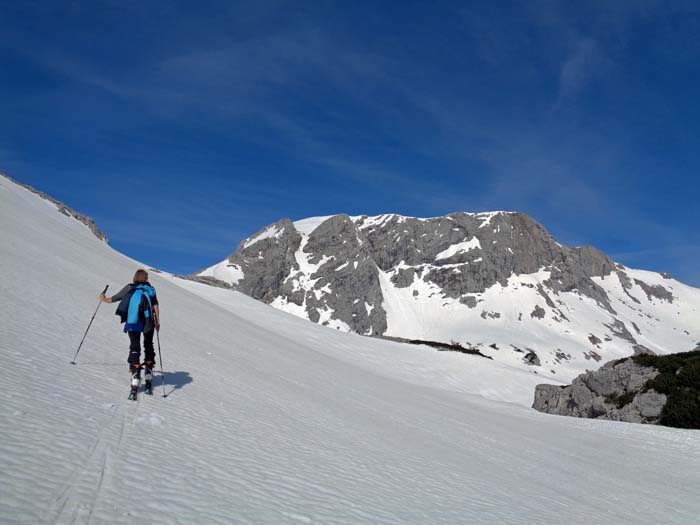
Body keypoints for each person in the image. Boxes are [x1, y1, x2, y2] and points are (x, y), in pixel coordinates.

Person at [100, 269, 160, 391]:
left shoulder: (129, 288)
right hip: (148, 321)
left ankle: (135, 372)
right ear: (146, 278)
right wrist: (157, 321)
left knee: (134, 346)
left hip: (133, 321)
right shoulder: (150, 289)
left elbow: (113, 299)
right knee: (148, 344)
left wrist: (103, 298)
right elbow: (155, 305)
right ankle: (148, 368)